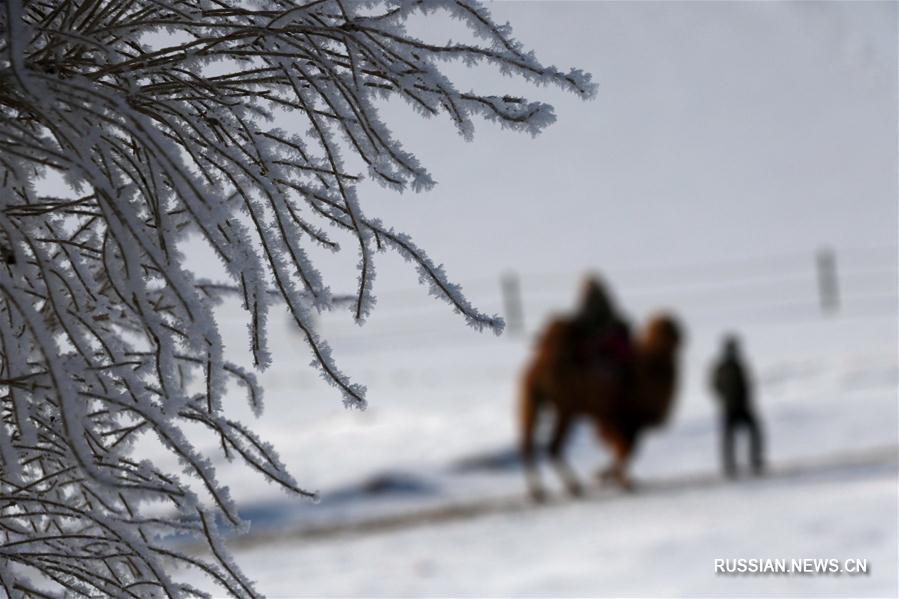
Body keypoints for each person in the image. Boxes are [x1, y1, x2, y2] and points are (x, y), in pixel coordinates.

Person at [710, 334, 765, 477]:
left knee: (755, 432)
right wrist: (725, 397)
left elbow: (747, 384)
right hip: (730, 407)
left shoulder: (738, 365)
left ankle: (755, 461)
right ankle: (730, 467)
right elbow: (715, 385)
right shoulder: (722, 367)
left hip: (743, 406)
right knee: (728, 438)